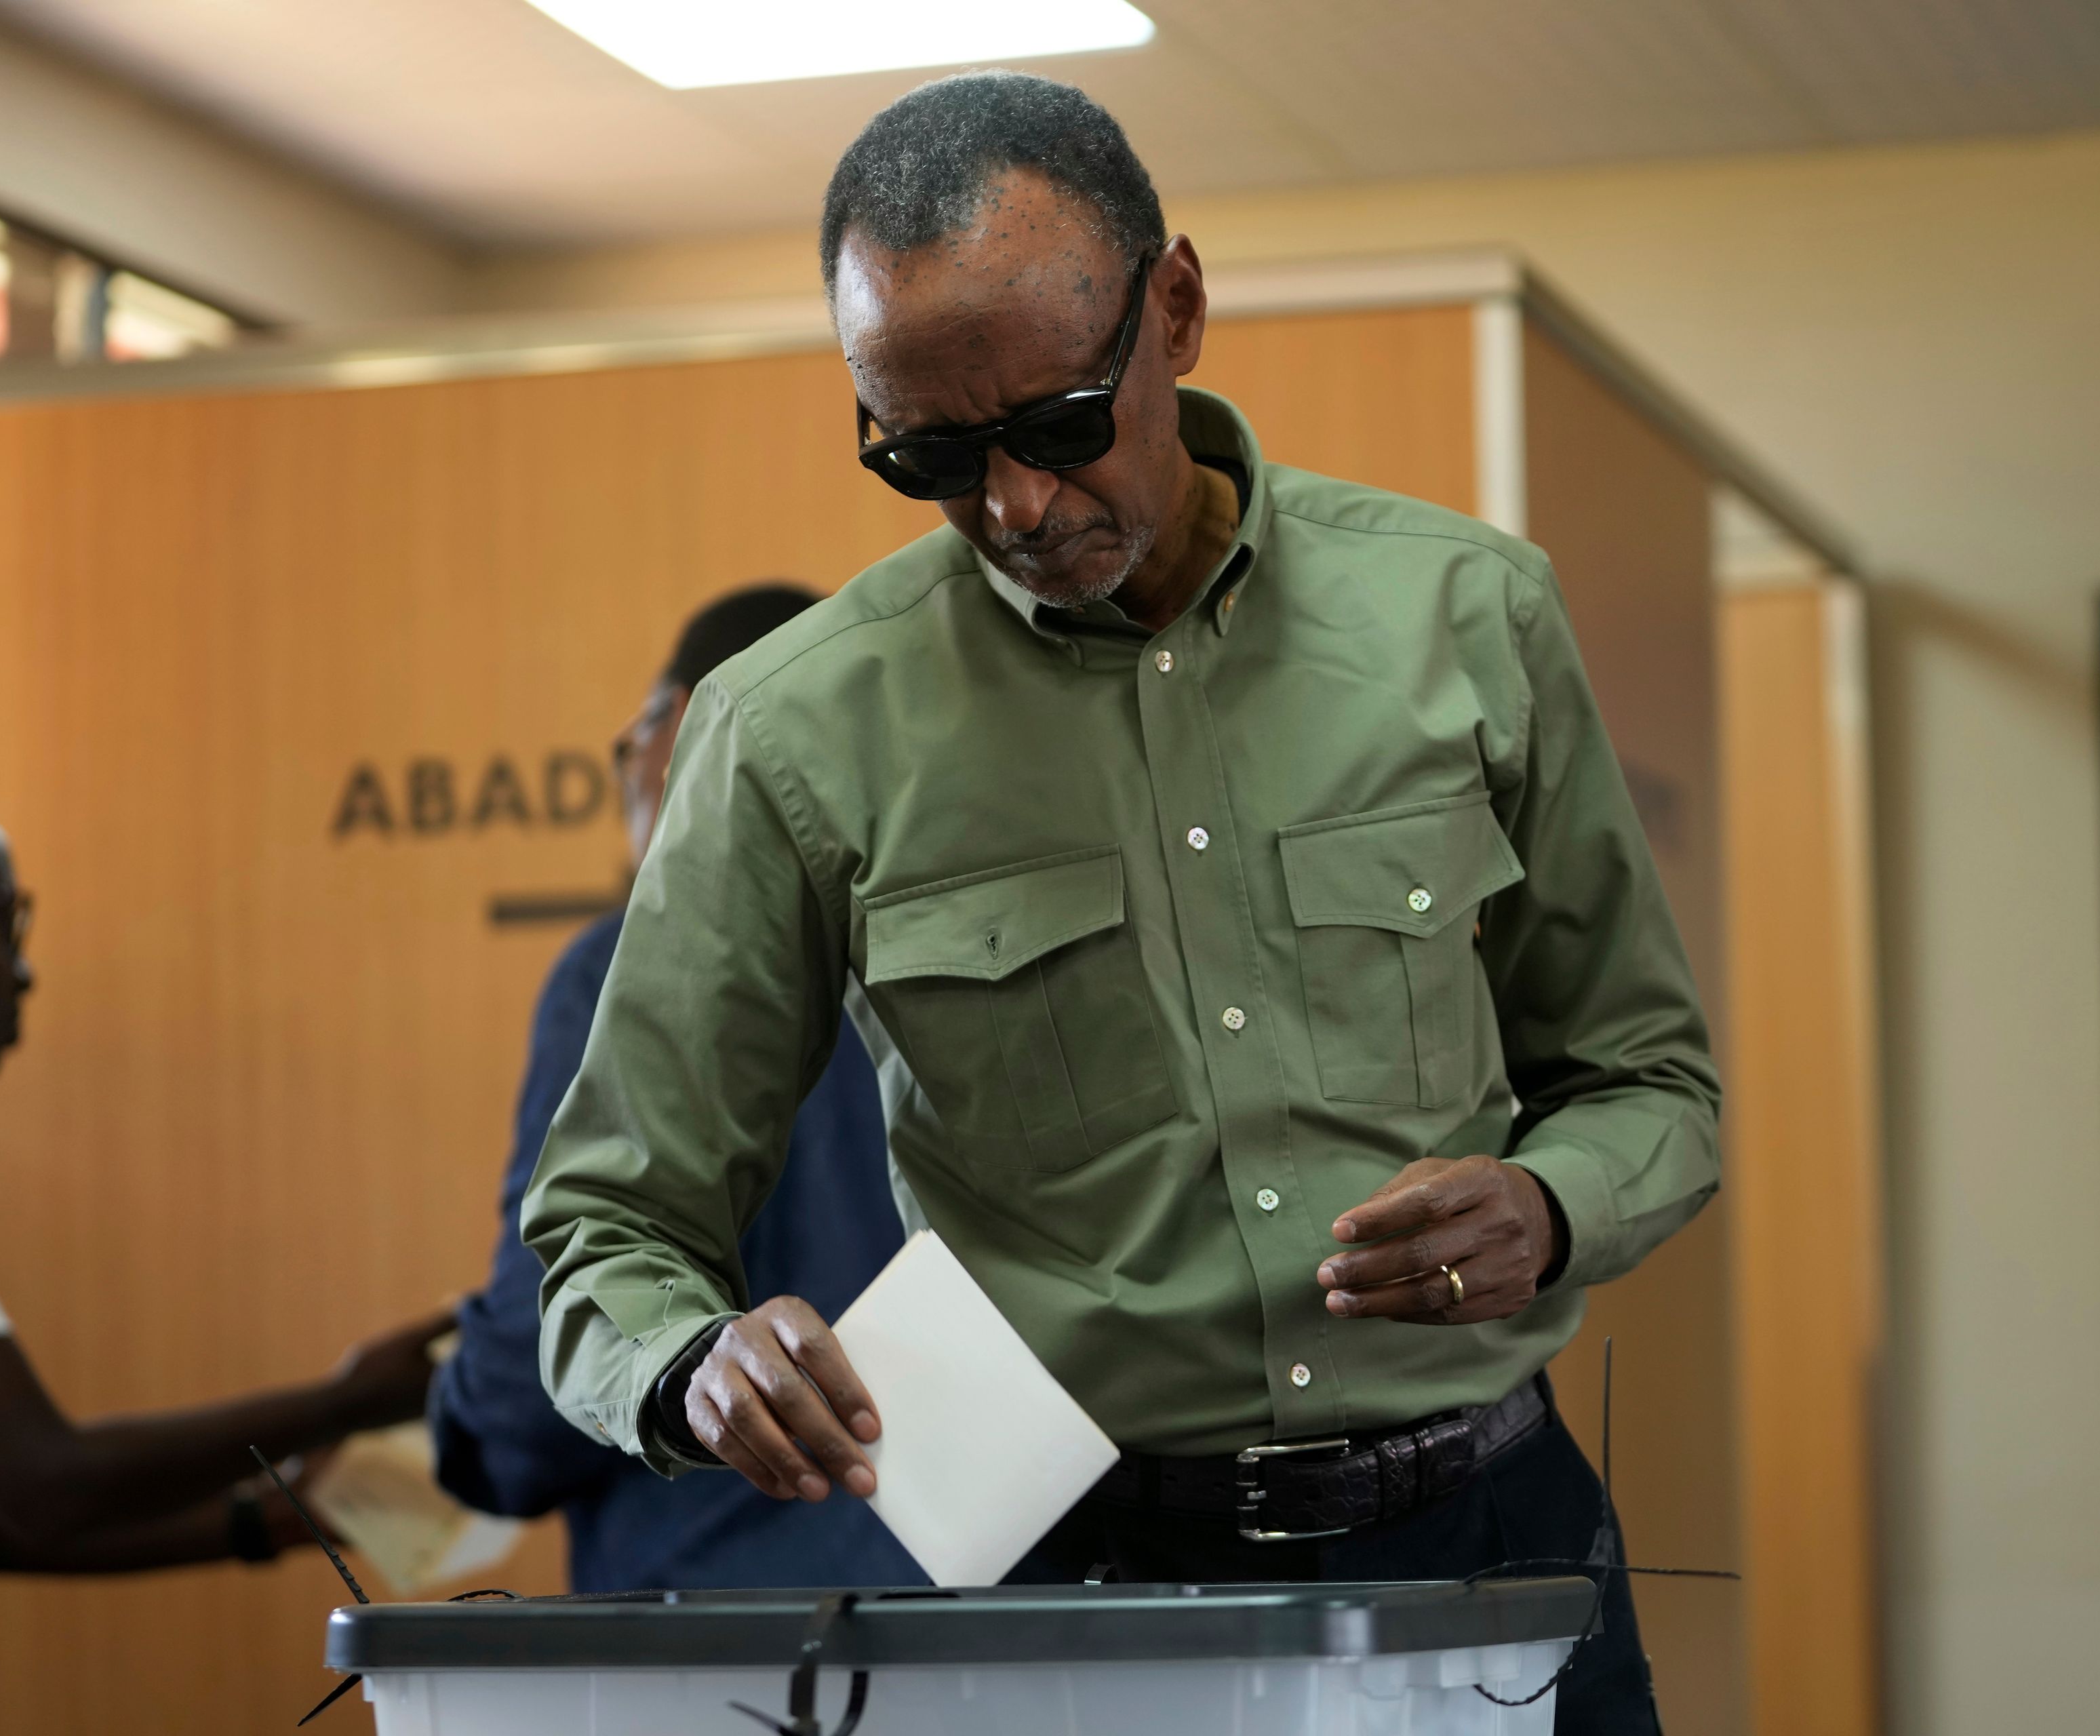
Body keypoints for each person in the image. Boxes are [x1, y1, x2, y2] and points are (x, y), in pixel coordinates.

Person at [525, 73, 1719, 1730]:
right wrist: (685, 1361)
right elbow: (605, 1228)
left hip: (1489, 1547)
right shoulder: (796, 728)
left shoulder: (1470, 616)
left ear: (1176, 308)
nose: (1013, 505)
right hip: (1073, 1591)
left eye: (1059, 424)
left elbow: (1653, 1084)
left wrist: (1554, 1205)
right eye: (929, 454)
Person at [0, 775, 446, 1736]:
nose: (24, 971)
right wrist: (356, 1397)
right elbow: (46, 1480)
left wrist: (269, 1518)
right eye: (7, 920)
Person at [429, 587, 918, 1590]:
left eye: (632, 738)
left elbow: (541, 1375)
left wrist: (452, 1406)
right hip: (996, 1609)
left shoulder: (619, 971)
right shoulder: (954, 967)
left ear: (693, 726)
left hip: (713, 1634)